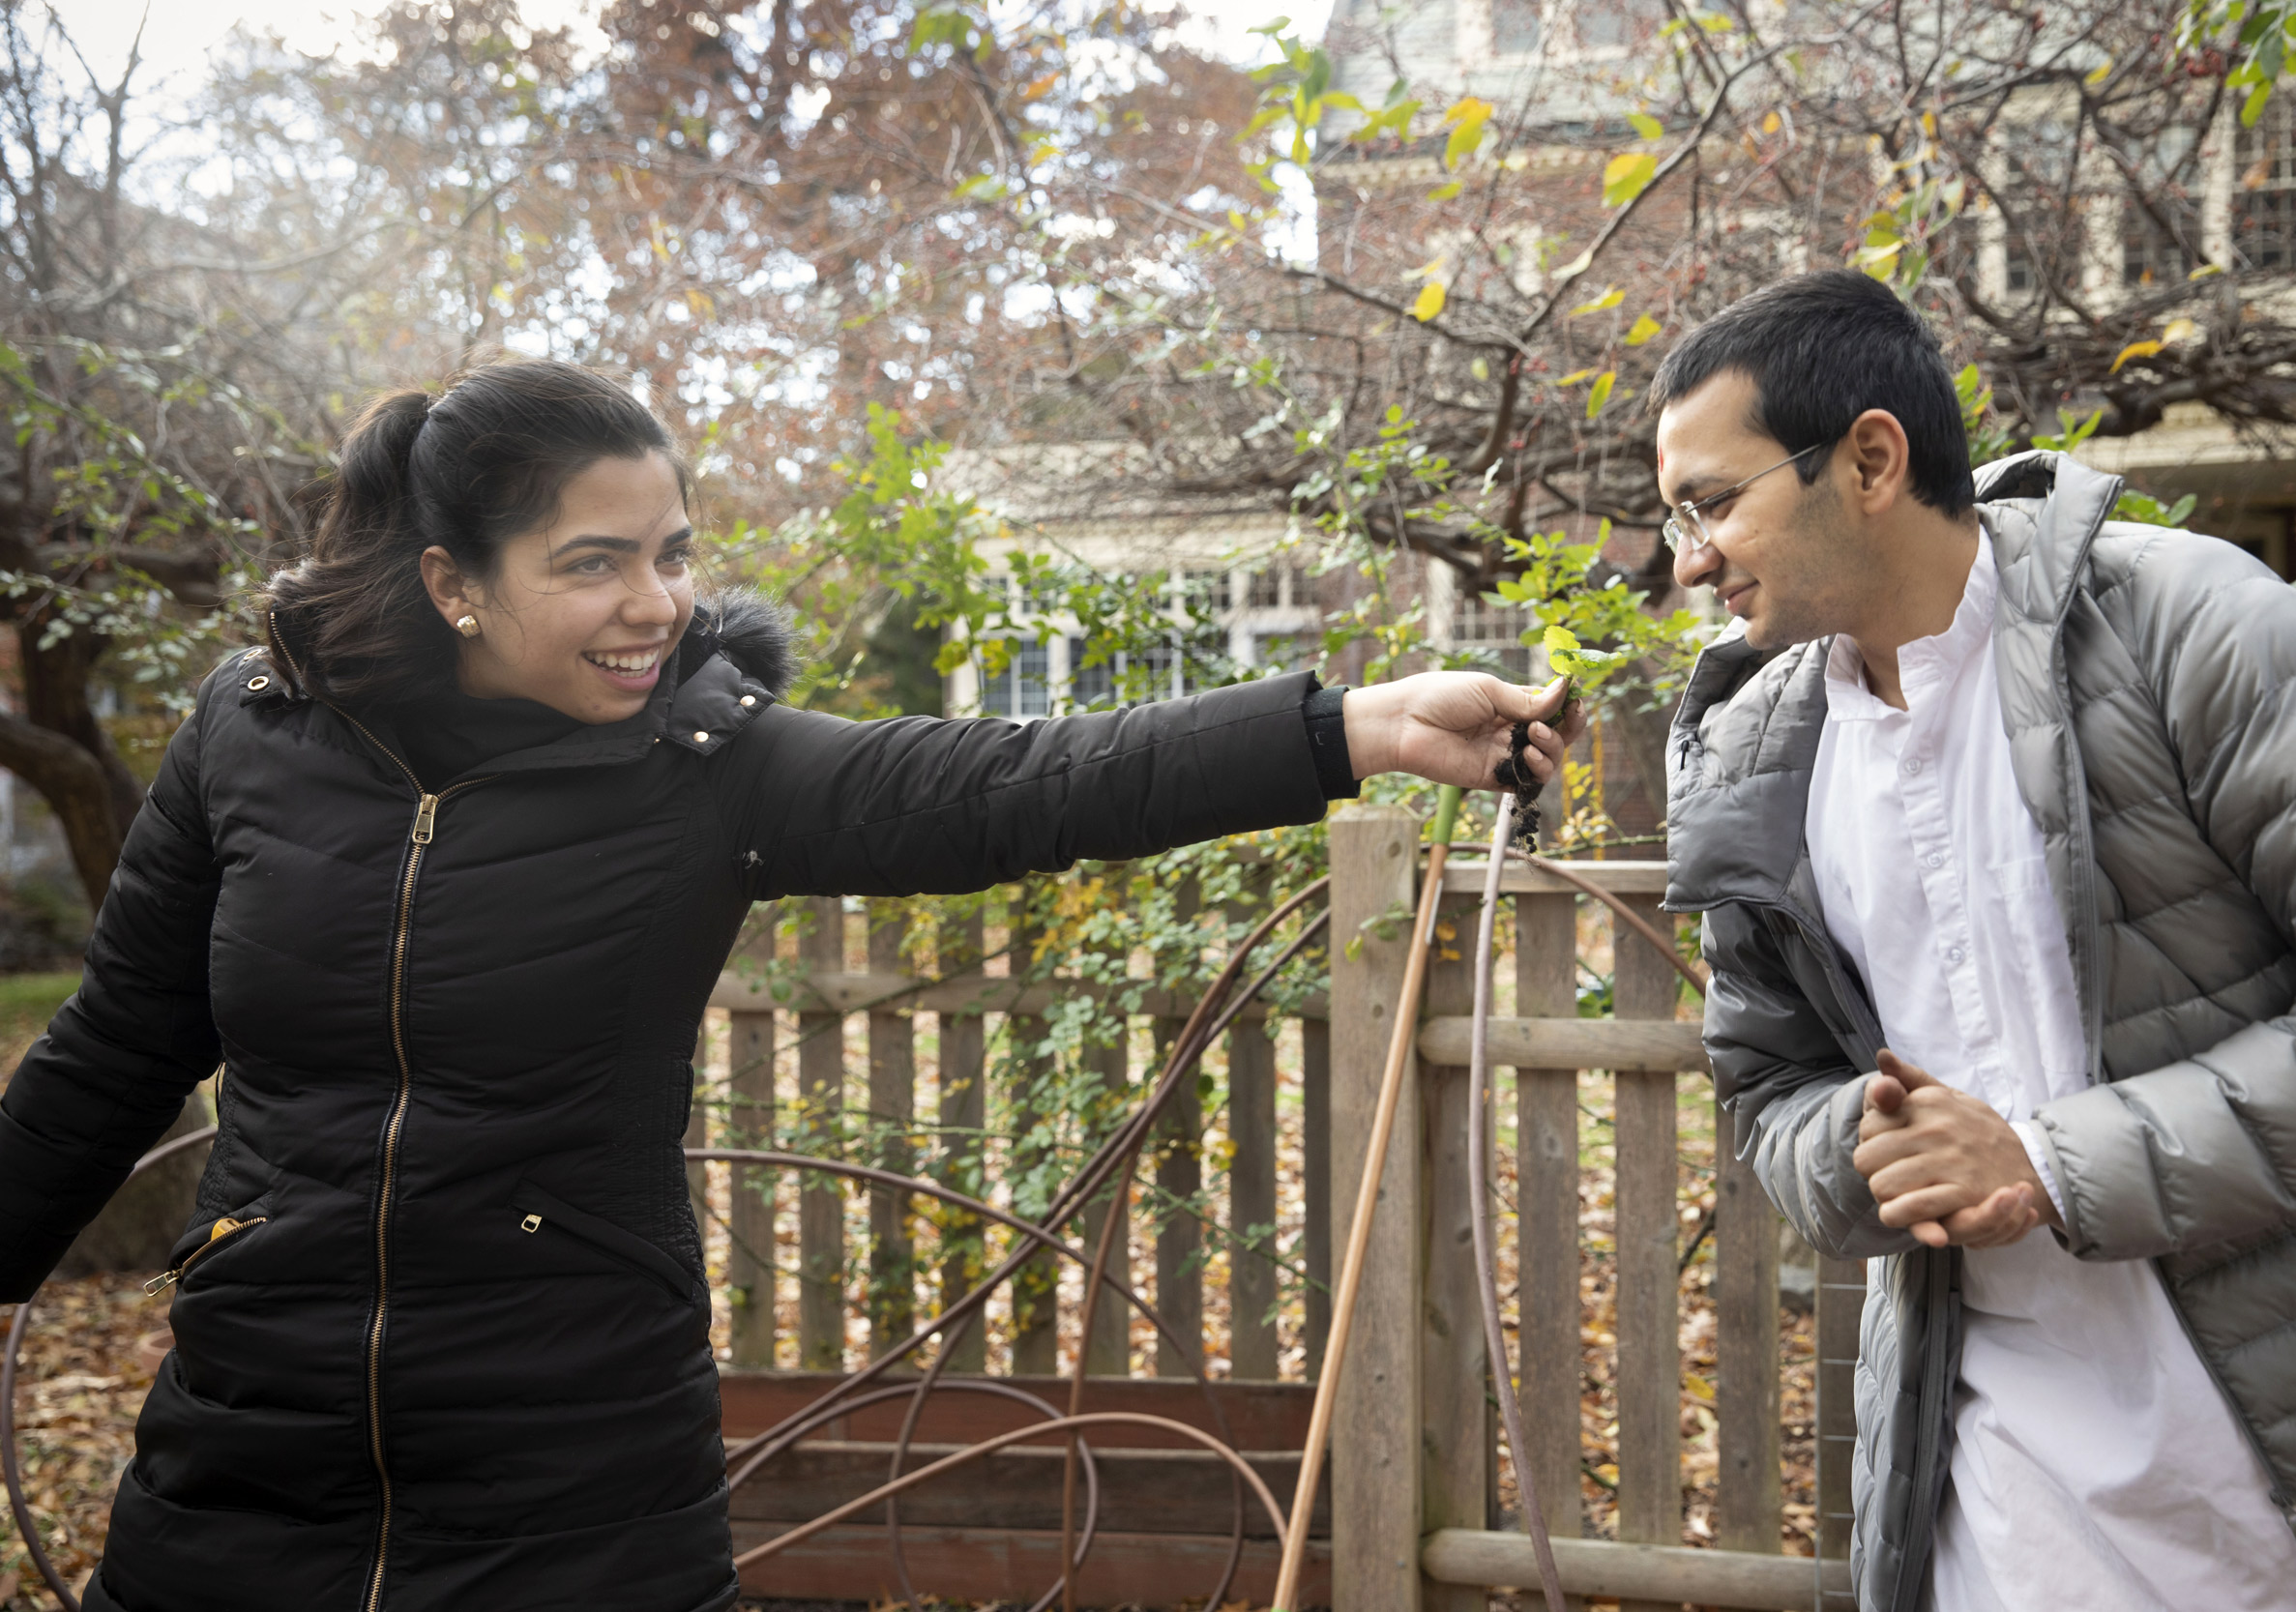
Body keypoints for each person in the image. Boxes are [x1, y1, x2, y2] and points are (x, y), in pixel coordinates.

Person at [0, 356, 1572, 1612]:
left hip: (577, 1481)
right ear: (453, 582)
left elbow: (1017, 781)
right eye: (596, 563)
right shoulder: (250, 733)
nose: (658, 605)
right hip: (246, 1458)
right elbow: (123, 1039)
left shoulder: (705, 764)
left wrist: (1345, 727)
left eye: (673, 554)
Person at [1656, 272, 2296, 1612]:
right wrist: (1855, 1149)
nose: (1689, 560)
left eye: (1713, 504)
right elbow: (1767, 1089)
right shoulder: (1750, 762)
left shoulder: (2195, 629)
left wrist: (2055, 1166)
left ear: (1873, 458)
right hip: (1994, 1487)